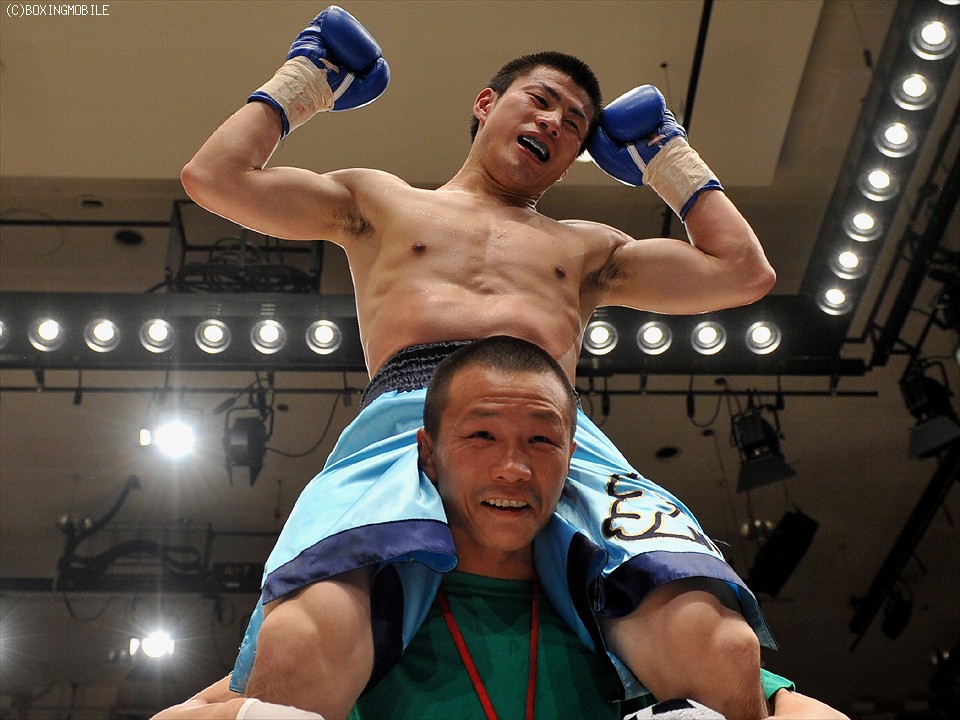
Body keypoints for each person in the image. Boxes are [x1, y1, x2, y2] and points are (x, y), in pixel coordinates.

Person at [180, 6, 782, 720]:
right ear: (487, 103)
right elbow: (216, 177)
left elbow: (742, 272)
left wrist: (666, 155)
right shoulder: (381, 201)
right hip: (407, 425)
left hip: (553, 436)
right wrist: (308, 79)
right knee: (303, 643)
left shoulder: (588, 247)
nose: (555, 122)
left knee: (720, 649)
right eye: (542, 101)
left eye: (576, 124)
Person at [155, 338, 847, 720]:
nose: (514, 469)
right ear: (427, 455)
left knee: (726, 651)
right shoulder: (354, 626)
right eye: (482, 437)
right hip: (396, 418)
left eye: (541, 443)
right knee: (291, 663)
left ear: (572, 460)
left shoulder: (629, 620)